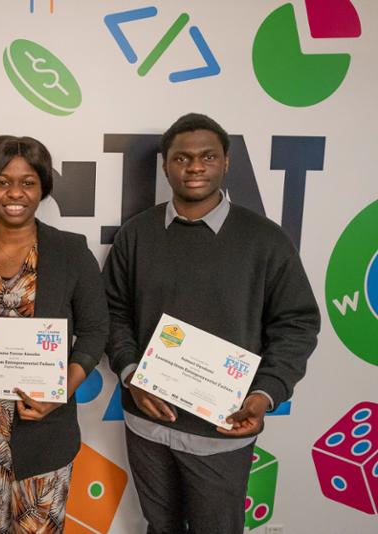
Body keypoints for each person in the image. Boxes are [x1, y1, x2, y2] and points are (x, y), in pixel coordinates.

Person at [102, 113, 320, 534]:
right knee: (159, 526)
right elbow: (112, 311)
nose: (195, 167)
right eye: (182, 158)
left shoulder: (265, 240)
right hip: (147, 423)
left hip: (223, 427)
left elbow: (297, 324)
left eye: (207, 156)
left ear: (227, 162)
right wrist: (132, 374)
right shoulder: (137, 235)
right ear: (166, 165)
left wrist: (264, 395)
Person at [0, 135, 109, 533]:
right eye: (3, 181)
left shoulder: (70, 252)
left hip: (45, 430)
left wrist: (60, 392)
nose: (15, 193)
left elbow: (95, 329)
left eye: (28, 182)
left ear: (42, 188)